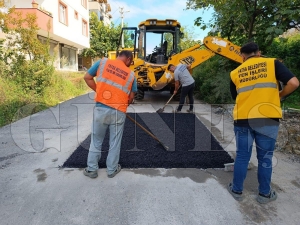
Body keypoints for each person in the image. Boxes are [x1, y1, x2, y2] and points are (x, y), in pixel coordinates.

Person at [228, 42, 299, 203]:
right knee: (265, 158)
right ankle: (264, 194)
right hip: (267, 118)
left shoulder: (235, 72)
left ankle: (236, 190)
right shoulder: (272, 63)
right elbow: (294, 83)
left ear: (242, 56)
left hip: (243, 119)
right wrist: (279, 95)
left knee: (242, 156)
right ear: (259, 53)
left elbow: (235, 96)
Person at [83, 50, 137, 179]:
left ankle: (91, 170)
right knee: (115, 142)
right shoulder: (131, 75)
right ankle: (112, 170)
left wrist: (101, 92)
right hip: (118, 112)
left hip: (101, 109)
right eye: (131, 62)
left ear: (118, 56)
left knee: (96, 140)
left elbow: (87, 77)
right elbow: (130, 98)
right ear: (128, 59)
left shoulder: (102, 63)